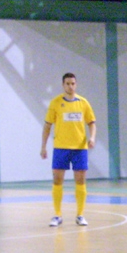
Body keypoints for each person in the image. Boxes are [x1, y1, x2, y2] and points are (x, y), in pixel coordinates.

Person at [40, 72, 97, 227]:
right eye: (67, 84)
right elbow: (47, 126)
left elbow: (92, 123)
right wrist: (43, 146)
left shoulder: (83, 103)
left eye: (73, 83)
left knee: (80, 180)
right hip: (61, 148)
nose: (70, 86)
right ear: (63, 85)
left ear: (76, 85)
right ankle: (57, 215)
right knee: (57, 180)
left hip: (79, 148)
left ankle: (80, 215)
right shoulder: (55, 103)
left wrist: (92, 138)